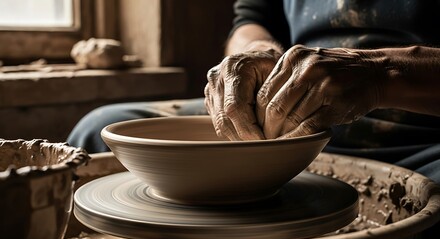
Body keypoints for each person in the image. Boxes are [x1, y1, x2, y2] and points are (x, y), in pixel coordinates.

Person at [68, 0, 440, 184]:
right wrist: (258, 53)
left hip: (422, 134)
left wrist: (382, 74)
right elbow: (250, 20)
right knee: (101, 129)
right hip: (289, 114)